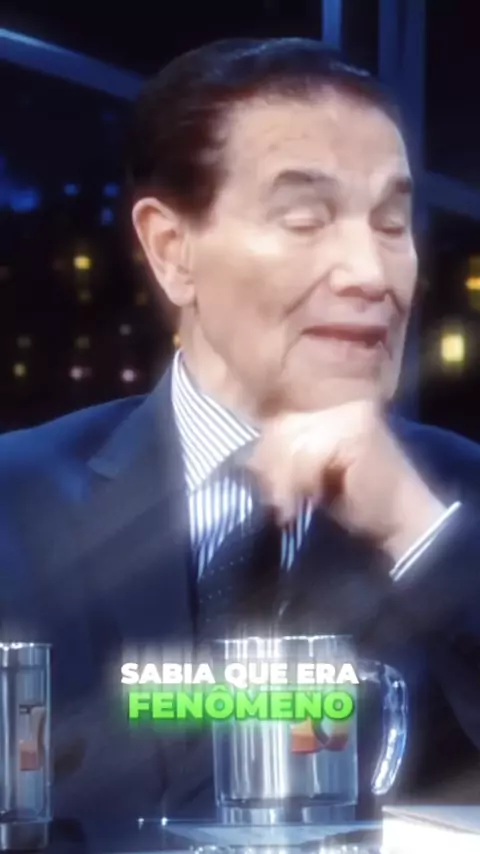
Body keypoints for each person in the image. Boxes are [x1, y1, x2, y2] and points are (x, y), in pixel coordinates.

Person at [1, 37, 480, 823]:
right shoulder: (13, 503)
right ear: (172, 250)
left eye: (392, 223)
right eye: (305, 219)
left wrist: (417, 531)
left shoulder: (458, 503)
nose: (371, 274)